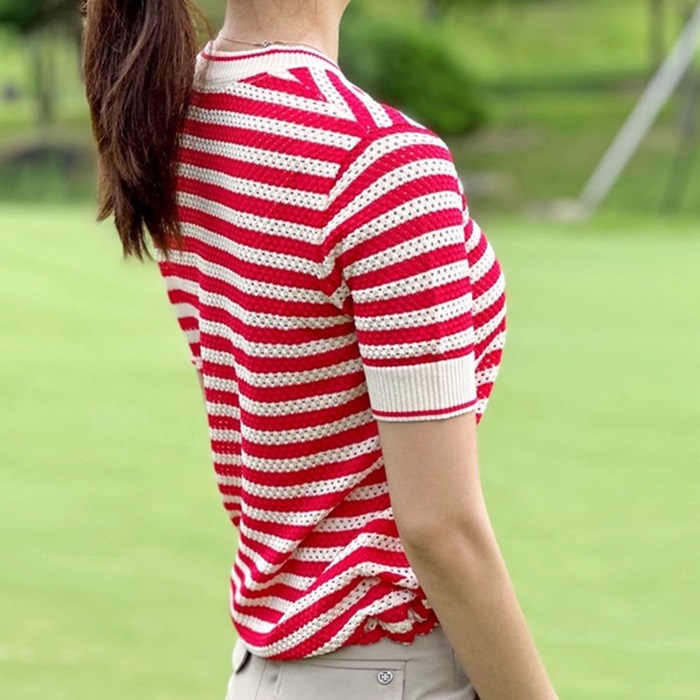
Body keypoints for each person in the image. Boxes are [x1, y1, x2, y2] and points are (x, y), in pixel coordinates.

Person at [84, 1, 558, 698]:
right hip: (386, 670)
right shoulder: (381, 164)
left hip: (271, 670)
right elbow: (438, 529)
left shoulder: (185, 117)